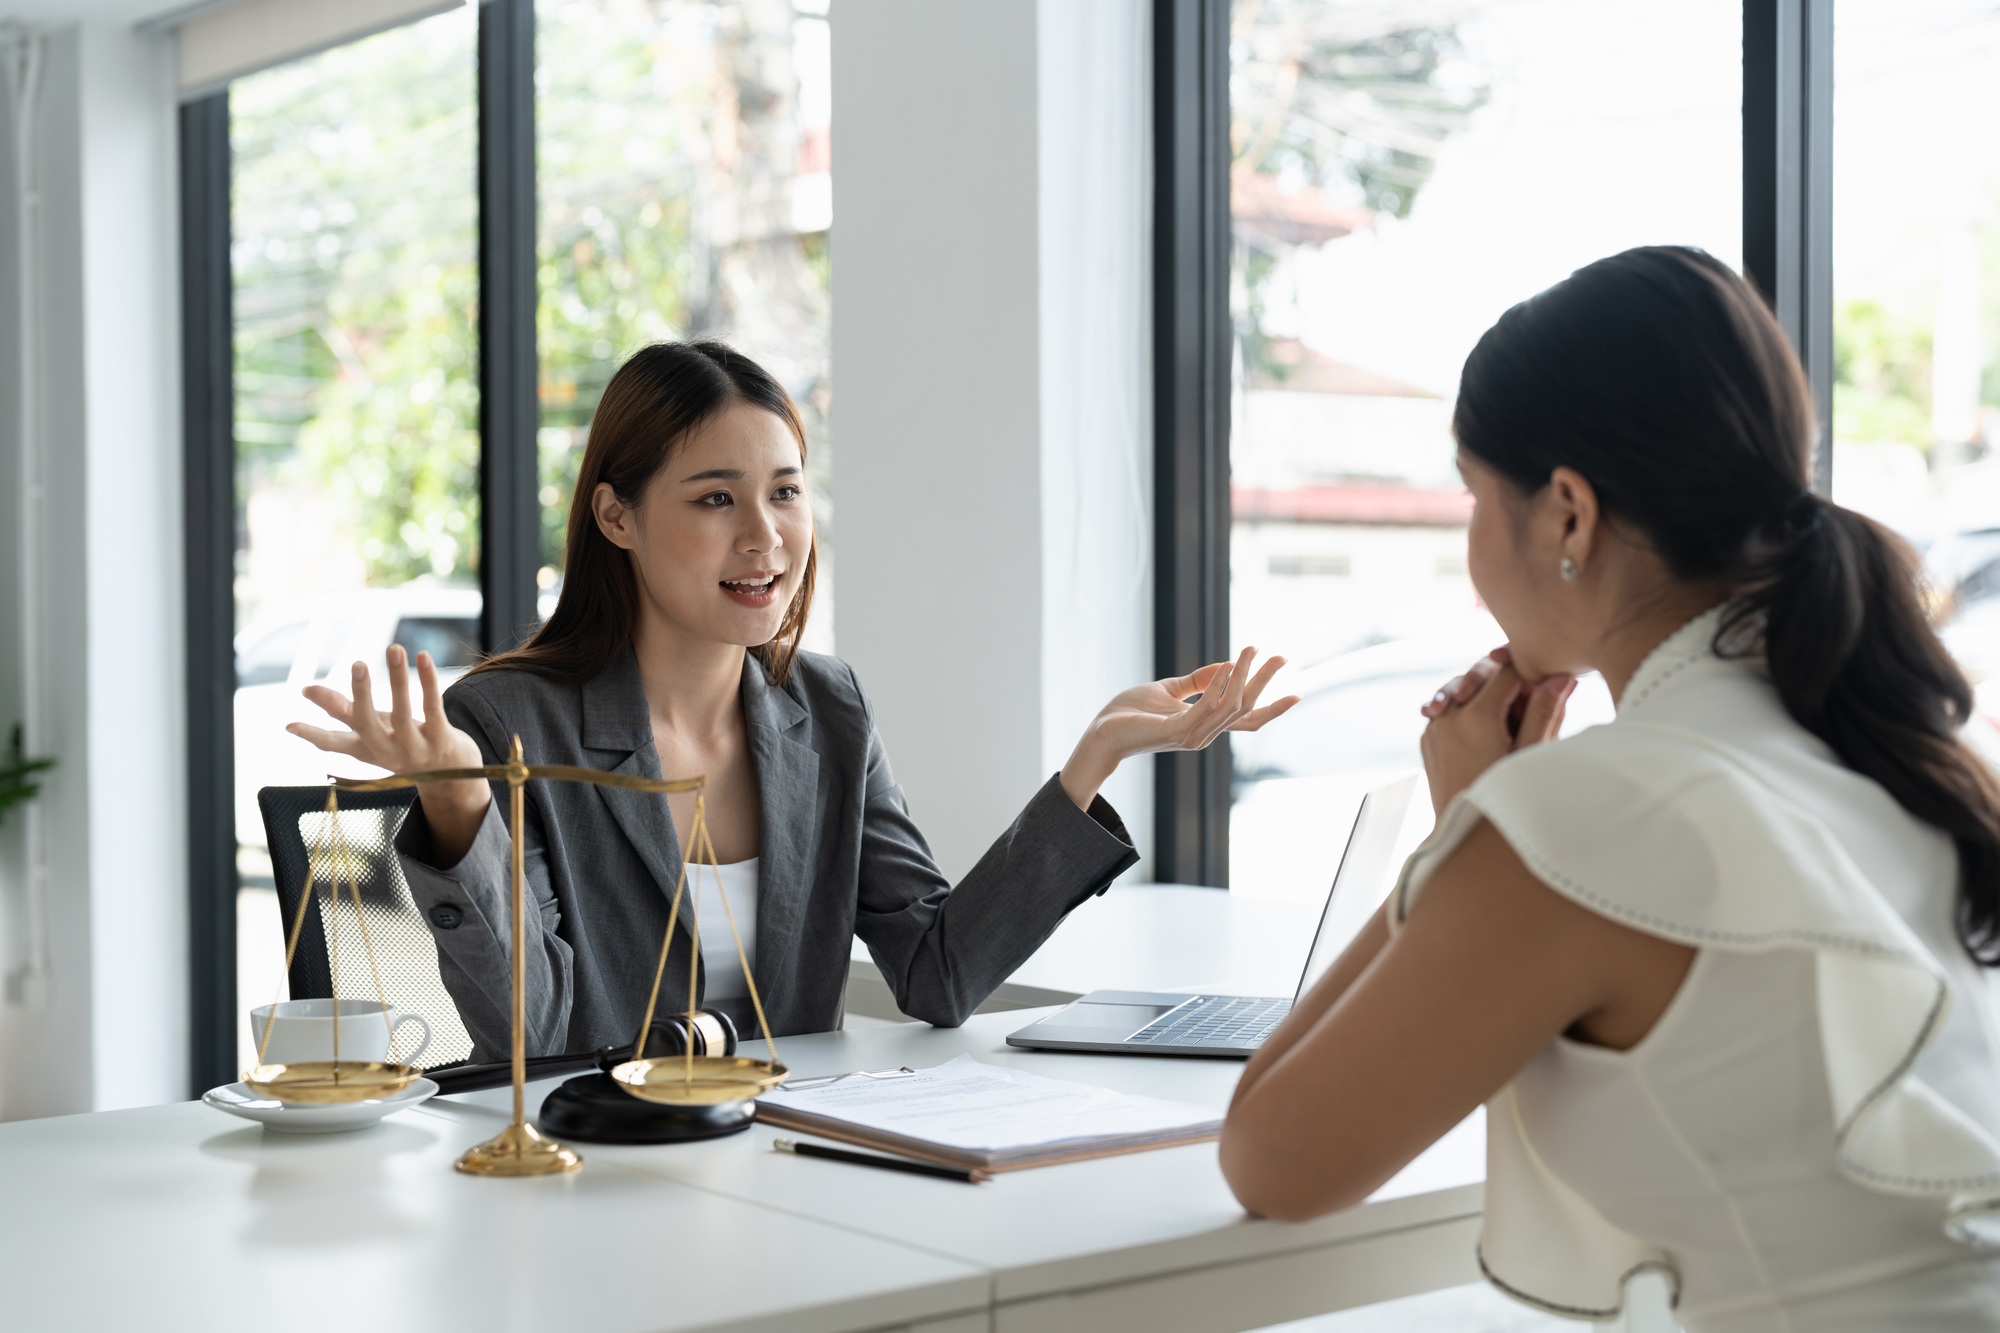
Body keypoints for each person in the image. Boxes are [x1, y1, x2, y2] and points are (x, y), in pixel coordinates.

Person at [1218, 247, 2000, 1330]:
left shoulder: (1594, 811)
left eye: (1472, 494)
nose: (1470, 542)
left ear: (1568, 515)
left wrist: (1462, 833)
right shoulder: (1893, 751)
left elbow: (1272, 1156)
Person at [292, 341, 1294, 1063]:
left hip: (786, 1164)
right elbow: (537, 1037)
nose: (764, 535)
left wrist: (1093, 758)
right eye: (715, 497)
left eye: (784, 491)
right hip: (595, 1178)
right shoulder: (507, 723)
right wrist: (459, 803)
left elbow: (937, 973)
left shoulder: (827, 707)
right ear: (616, 515)